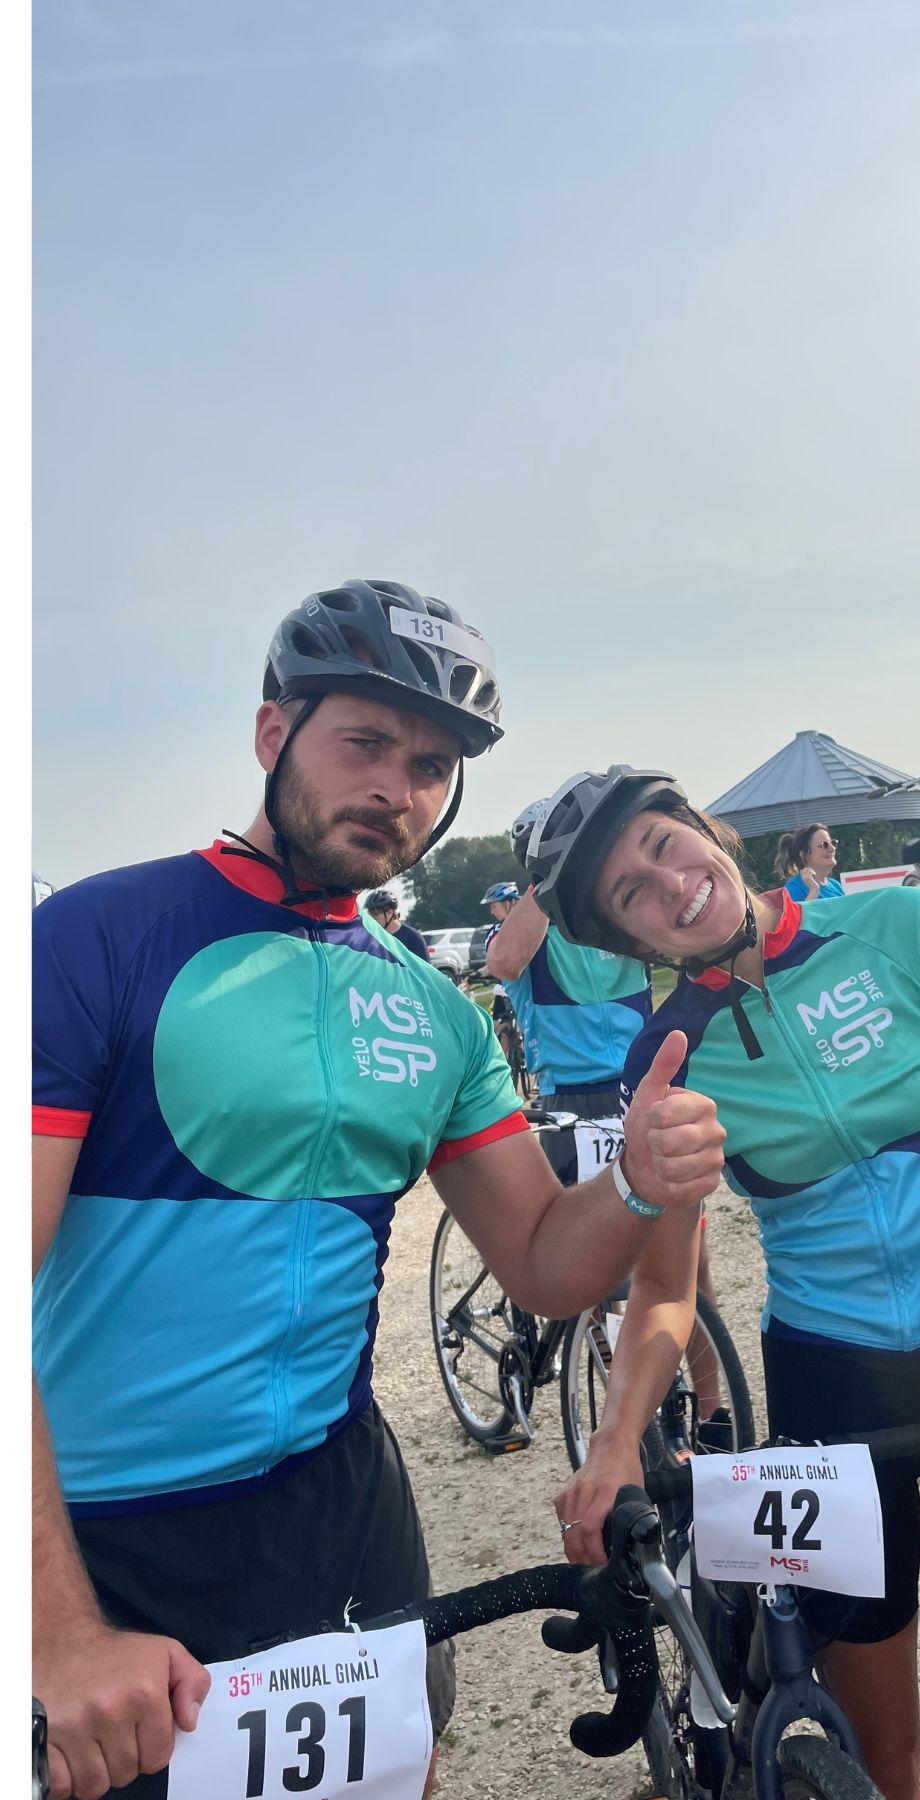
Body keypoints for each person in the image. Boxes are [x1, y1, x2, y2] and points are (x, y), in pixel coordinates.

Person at [31, 587, 726, 1800]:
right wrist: (55, 1632)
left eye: (432, 765)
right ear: (271, 737)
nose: (397, 788)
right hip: (100, 1530)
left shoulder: (432, 1009)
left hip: (340, 1505)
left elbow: (547, 1267)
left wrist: (640, 1181)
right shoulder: (93, 936)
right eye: (364, 744)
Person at [530, 766, 920, 1800]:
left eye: (666, 845)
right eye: (631, 893)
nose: (668, 885)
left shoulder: (898, 927)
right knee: (873, 1775)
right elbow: (668, 1292)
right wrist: (618, 1435)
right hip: (829, 1402)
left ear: (708, 833)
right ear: (630, 943)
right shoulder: (668, 1056)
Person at [482, 803, 652, 1122]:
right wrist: (548, 875)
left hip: (644, 1077)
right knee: (577, 1176)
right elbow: (505, 962)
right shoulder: (522, 929)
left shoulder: (614, 913)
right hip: (571, 1093)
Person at [479, 879, 524, 1064]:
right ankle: (505, 1060)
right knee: (500, 1025)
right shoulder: (497, 929)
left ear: (509, 903)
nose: (492, 911)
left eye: (494, 906)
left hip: (523, 989)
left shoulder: (525, 925)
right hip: (504, 988)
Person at [775, 820, 843, 900]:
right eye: (824, 845)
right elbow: (798, 913)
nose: (832, 848)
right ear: (804, 855)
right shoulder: (793, 889)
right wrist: (814, 891)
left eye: (833, 843)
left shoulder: (836, 885)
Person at [364, 885, 432, 959]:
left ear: (389, 912)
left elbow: (423, 967)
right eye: (370, 914)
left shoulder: (413, 938)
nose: (372, 918)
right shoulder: (372, 937)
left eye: (375, 913)